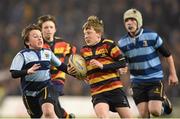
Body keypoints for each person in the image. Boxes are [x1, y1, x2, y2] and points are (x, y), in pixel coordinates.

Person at [118, 8, 179, 118]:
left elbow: (168, 55)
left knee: (154, 111)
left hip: (154, 79)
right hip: (137, 82)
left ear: (139, 22)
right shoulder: (122, 43)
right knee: (143, 114)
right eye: (126, 20)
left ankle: (163, 101)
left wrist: (173, 74)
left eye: (132, 20)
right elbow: (124, 62)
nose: (129, 23)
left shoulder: (152, 36)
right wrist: (123, 68)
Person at [9, 24, 76, 118]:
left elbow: (61, 66)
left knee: (48, 112)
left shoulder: (48, 53)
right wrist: (27, 71)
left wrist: (77, 74)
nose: (40, 39)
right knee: (37, 116)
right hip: (28, 93)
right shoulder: (22, 55)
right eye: (35, 36)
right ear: (28, 42)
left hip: (46, 87)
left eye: (40, 36)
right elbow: (14, 74)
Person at [80, 16, 132, 118]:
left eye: (89, 33)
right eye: (84, 34)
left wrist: (102, 66)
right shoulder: (83, 51)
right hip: (98, 92)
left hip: (115, 89)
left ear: (98, 33)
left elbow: (122, 63)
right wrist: (82, 75)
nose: (86, 36)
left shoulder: (108, 44)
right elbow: (83, 70)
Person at [37, 15, 76, 118]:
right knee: (52, 104)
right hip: (41, 80)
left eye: (51, 27)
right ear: (40, 30)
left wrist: (72, 61)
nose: (49, 30)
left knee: (49, 104)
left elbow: (73, 51)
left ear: (55, 29)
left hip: (57, 79)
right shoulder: (36, 45)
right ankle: (66, 116)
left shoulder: (63, 43)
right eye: (45, 27)